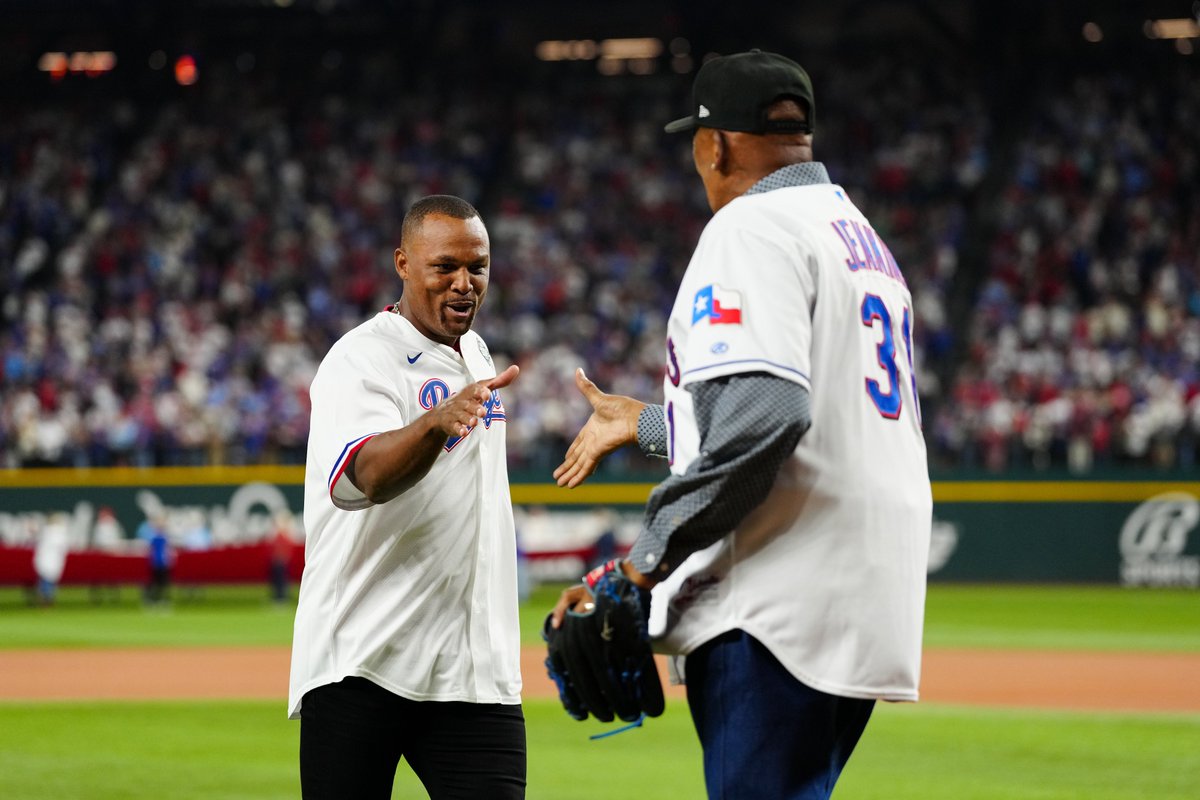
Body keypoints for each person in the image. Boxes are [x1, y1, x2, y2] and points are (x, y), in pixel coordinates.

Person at [550, 50, 932, 800]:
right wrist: (654, 425)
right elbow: (805, 412)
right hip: (861, 593)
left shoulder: (748, 227)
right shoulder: (860, 238)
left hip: (777, 599)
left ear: (713, 143)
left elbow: (770, 420)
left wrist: (645, 559)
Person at [288, 195, 525, 800]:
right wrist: (432, 424)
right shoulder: (359, 360)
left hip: (472, 676)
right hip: (364, 664)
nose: (465, 283)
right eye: (445, 266)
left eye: (478, 266)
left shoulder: (475, 355)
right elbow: (363, 474)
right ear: (403, 263)